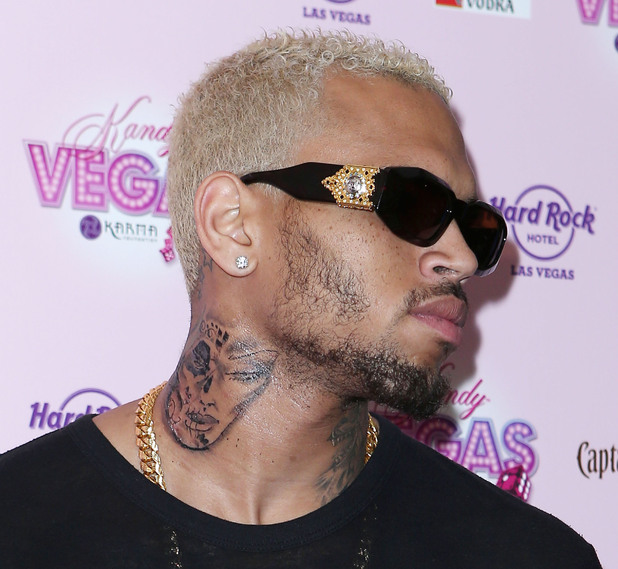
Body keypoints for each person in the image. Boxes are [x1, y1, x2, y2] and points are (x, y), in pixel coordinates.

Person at [0, 30, 601, 568]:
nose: (463, 258)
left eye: (476, 228)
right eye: (410, 202)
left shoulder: (528, 556)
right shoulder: (20, 527)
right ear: (233, 225)